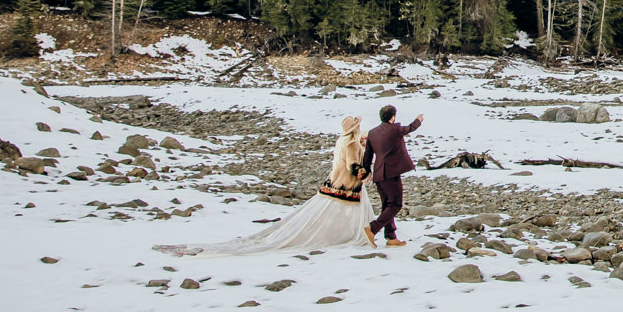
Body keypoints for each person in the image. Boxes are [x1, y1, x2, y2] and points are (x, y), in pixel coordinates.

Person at [154, 117, 374, 257]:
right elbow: (353, 165)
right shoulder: (352, 144)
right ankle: (351, 236)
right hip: (346, 186)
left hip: (334, 183)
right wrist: (366, 175)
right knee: (342, 213)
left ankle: (348, 235)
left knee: (328, 213)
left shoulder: (341, 142)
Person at [363, 103, 423, 247]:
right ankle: (372, 229)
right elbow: (410, 128)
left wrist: (365, 171)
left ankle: (391, 237)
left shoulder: (372, 133)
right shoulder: (395, 129)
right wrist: (418, 120)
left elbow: (367, 156)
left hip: (378, 174)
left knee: (387, 205)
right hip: (391, 172)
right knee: (395, 204)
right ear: (392, 117)